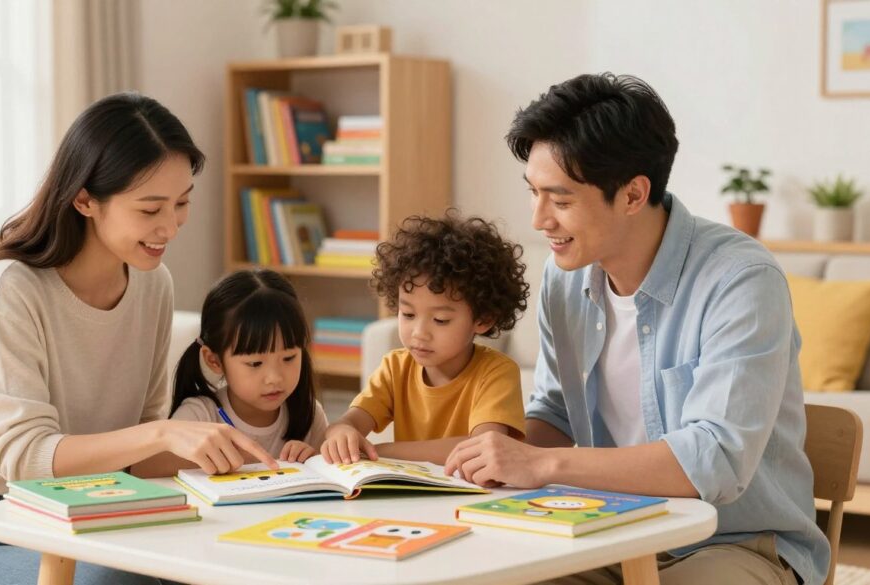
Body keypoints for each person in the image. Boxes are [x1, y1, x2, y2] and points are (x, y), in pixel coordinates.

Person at [444, 73, 829, 585]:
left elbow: (713, 460)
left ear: (632, 194)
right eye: (534, 194)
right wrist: (483, 448)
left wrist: (541, 466)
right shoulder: (566, 279)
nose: (539, 220)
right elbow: (556, 410)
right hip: (610, 528)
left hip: (736, 543)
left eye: (559, 201)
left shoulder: (740, 280)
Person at [0, 93, 276, 585]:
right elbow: (24, 460)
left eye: (182, 203)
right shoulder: (11, 288)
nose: (170, 226)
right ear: (85, 199)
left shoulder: (153, 284)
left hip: (101, 509)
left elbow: (142, 437)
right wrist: (164, 433)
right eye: (150, 208)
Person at [321, 212, 530, 465]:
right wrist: (341, 432)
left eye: (440, 320)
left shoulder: (496, 373)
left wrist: (381, 452)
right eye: (407, 313)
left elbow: (481, 449)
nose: (419, 332)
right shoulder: (395, 368)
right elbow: (349, 422)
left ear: (483, 319)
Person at [132, 269, 328, 478]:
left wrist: (314, 460)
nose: (275, 378)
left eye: (289, 358)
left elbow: (331, 479)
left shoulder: (309, 413)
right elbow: (140, 468)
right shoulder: (200, 415)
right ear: (214, 360)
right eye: (255, 363)